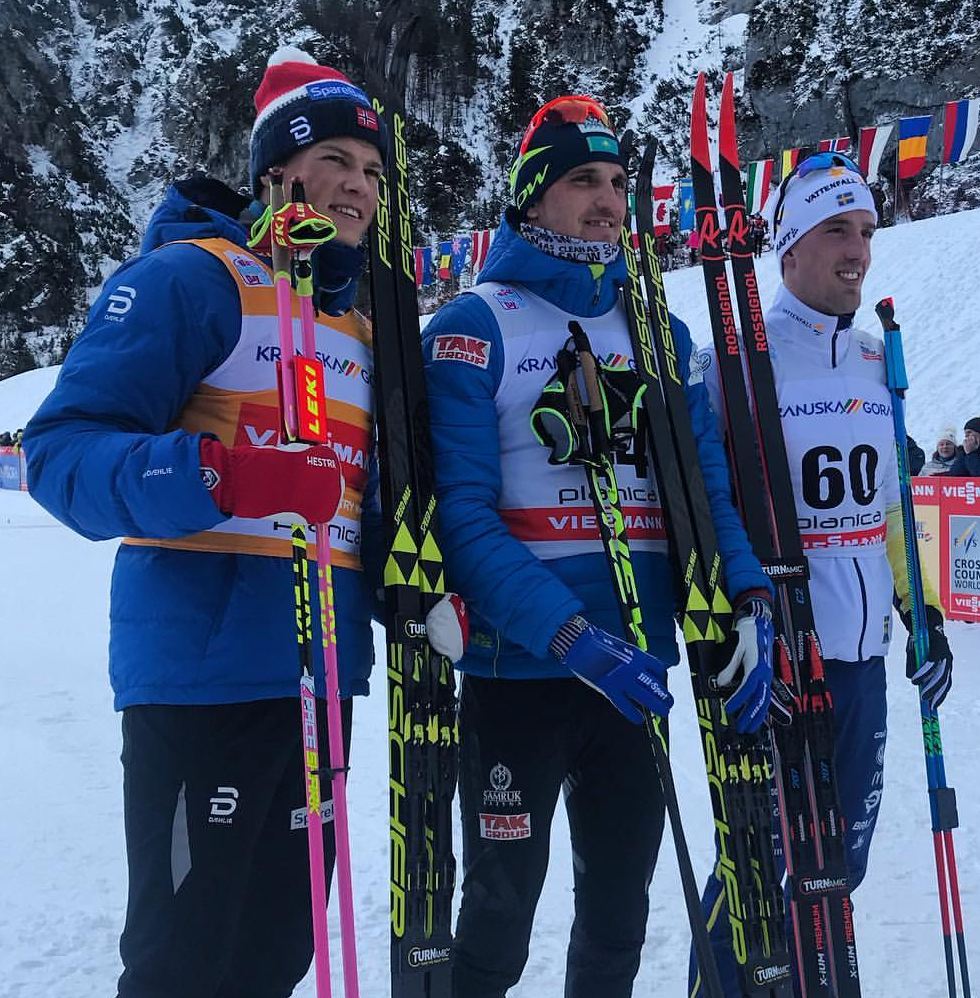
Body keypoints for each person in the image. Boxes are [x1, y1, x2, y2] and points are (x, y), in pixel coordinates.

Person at [24, 47, 390, 998]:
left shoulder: (358, 323)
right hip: (203, 679)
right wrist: (223, 475)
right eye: (336, 160)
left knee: (276, 956)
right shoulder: (193, 278)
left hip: (321, 682)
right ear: (278, 171)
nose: (357, 185)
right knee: (185, 965)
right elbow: (58, 453)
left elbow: (364, 506)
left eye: (373, 171)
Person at [421, 95, 775, 998]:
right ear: (532, 198)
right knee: (497, 920)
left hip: (639, 674)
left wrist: (748, 599)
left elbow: (706, 489)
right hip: (523, 673)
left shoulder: (660, 330)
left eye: (618, 181)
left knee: (619, 914)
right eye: (584, 180)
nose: (608, 199)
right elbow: (459, 520)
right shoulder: (473, 325)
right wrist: (573, 638)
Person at [691, 152, 955, 996]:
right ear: (789, 247)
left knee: (837, 868)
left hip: (861, 663)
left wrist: (925, 614)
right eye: (835, 229)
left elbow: (886, 515)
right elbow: (710, 509)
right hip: (777, 659)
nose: (858, 250)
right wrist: (739, 613)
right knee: (759, 869)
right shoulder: (733, 361)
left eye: (867, 231)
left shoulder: (879, 364)